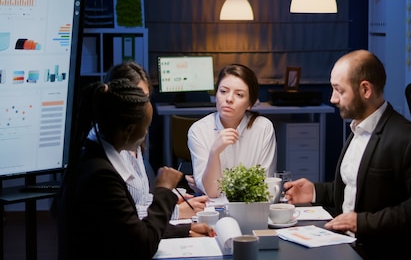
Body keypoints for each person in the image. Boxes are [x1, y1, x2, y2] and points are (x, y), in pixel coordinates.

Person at [284, 50, 411, 260]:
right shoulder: (357, 129)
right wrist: (314, 192)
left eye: (339, 90)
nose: (333, 98)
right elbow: (362, 189)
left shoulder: (410, 139)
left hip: (389, 252)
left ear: (365, 89)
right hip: (349, 246)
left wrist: (362, 223)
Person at [57, 79, 215, 260]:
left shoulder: (92, 158)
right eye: (146, 127)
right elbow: (140, 245)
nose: (147, 133)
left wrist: (184, 229)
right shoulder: (101, 177)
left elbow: (125, 230)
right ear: (129, 130)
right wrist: (163, 190)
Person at [102, 61, 207, 219]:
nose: (142, 108)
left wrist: (167, 200)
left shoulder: (133, 142)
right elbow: (121, 216)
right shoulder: (107, 154)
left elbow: (140, 200)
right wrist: (173, 210)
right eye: (136, 99)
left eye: (145, 98)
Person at [188, 63, 277, 198]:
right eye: (223, 91)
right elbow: (212, 192)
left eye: (239, 95)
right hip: (213, 211)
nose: (229, 99)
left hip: (252, 208)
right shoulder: (199, 130)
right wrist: (215, 151)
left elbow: (263, 187)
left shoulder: (263, 128)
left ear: (250, 103)